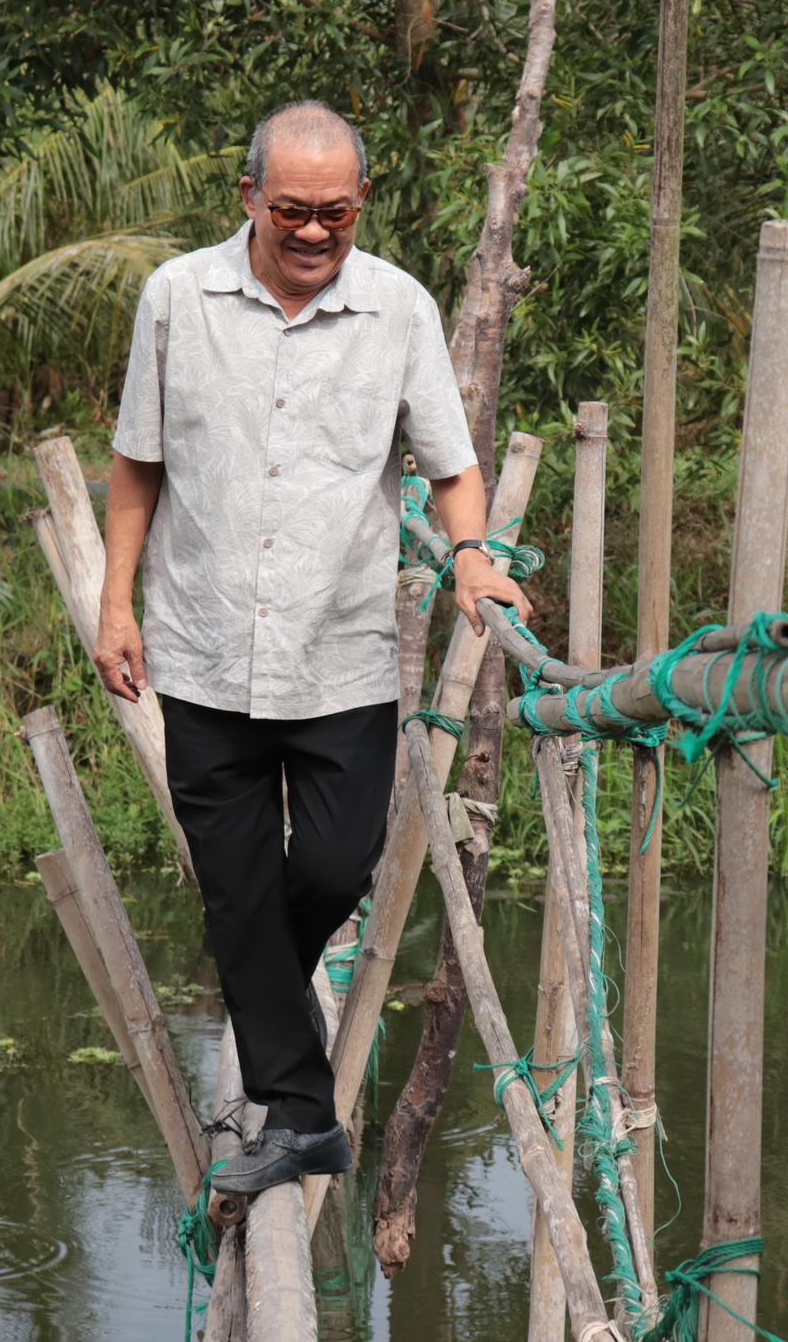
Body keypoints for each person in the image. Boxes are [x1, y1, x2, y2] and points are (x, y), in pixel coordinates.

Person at [95, 99, 530, 1195]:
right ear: (247, 197)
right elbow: (137, 463)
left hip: (339, 651)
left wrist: (470, 552)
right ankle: (303, 1121)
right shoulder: (175, 300)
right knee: (239, 889)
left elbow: (448, 464)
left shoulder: (398, 310)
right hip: (198, 644)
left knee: (334, 864)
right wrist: (114, 604)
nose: (312, 230)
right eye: (291, 208)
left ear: (359, 205)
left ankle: (257, 994)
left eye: (334, 211)